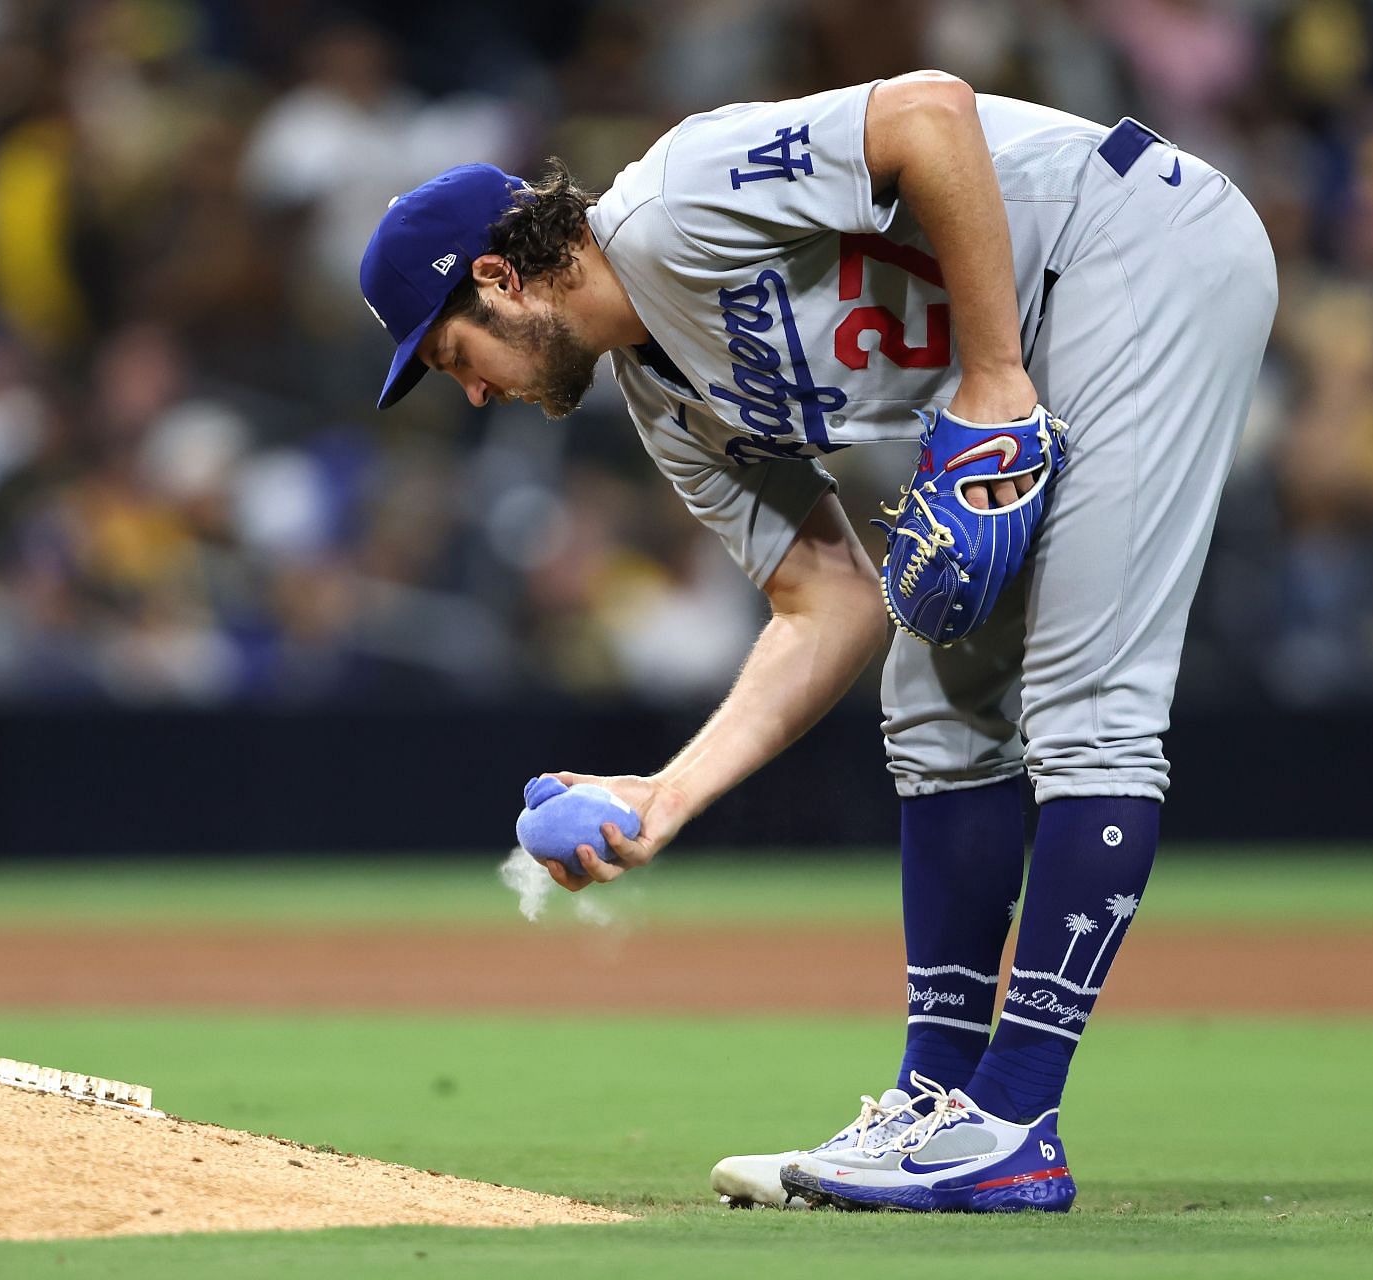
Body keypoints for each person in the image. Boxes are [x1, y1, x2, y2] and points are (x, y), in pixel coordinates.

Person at [360, 71, 1276, 1213]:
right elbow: (827, 599)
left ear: (498, 277)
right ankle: (937, 1105)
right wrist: (670, 793)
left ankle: (1014, 1118)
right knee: (931, 705)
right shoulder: (669, 405)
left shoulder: (671, 204)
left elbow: (930, 111)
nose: (473, 393)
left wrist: (992, 375)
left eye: (452, 354)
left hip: (1135, 249)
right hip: (1051, 321)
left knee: (1090, 703)